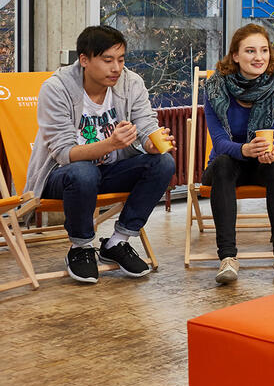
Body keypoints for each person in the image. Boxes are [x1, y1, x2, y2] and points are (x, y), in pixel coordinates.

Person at [25, 25, 176, 284]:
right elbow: (63, 153)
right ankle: (81, 247)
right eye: (107, 60)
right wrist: (111, 144)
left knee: (163, 162)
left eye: (121, 59)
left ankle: (117, 242)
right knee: (84, 171)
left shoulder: (131, 82)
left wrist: (152, 143)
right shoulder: (57, 88)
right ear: (84, 60)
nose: (116, 68)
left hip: (108, 171)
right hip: (61, 177)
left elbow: (146, 125)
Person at [203, 23, 274, 285]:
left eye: (264, 50)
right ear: (235, 55)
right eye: (250, 51)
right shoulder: (214, 89)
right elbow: (220, 142)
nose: (259, 57)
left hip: (262, 163)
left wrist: (272, 150)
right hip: (228, 162)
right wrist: (244, 149)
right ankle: (228, 258)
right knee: (223, 164)